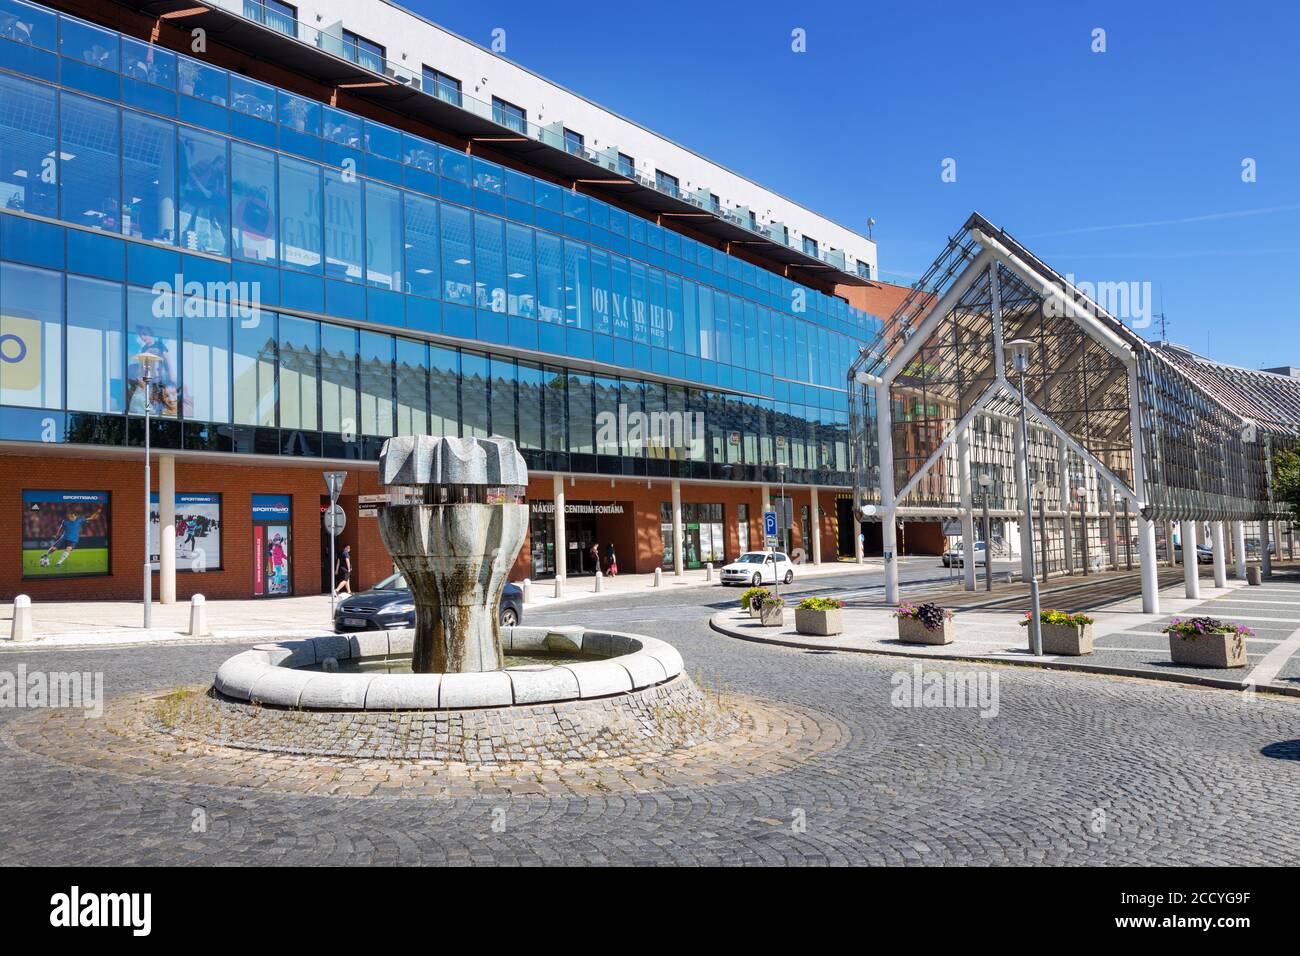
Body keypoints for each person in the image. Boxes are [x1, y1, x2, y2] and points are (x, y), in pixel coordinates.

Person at [38, 505, 103, 570]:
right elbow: (61, 528)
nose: (69, 517)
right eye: (69, 516)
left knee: (68, 549)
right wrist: (57, 534)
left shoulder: (80, 520)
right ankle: (46, 555)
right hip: (64, 538)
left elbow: (92, 518)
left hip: (73, 540)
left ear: (75, 516)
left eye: (71, 516)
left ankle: (59, 563)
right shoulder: (65, 521)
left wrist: (97, 512)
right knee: (54, 548)